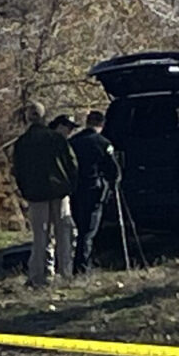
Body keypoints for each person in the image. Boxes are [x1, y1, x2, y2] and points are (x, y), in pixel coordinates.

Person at [9, 102, 77, 287]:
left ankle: (40, 275)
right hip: (59, 191)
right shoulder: (56, 138)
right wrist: (71, 185)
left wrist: (25, 190)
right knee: (64, 232)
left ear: (28, 118)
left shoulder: (22, 142)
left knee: (41, 236)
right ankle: (66, 273)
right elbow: (71, 163)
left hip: (35, 194)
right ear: (44, 116)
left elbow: (18, 170)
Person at [68, 109, 121, 274]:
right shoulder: (103, 143)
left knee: (79, 226)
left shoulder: (73, 142)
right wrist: (114, 182)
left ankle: (80, 262)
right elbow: (113, 169)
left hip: (75, 190)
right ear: (102, 125)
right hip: (94, 191)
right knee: (89, 230)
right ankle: (82, 266)